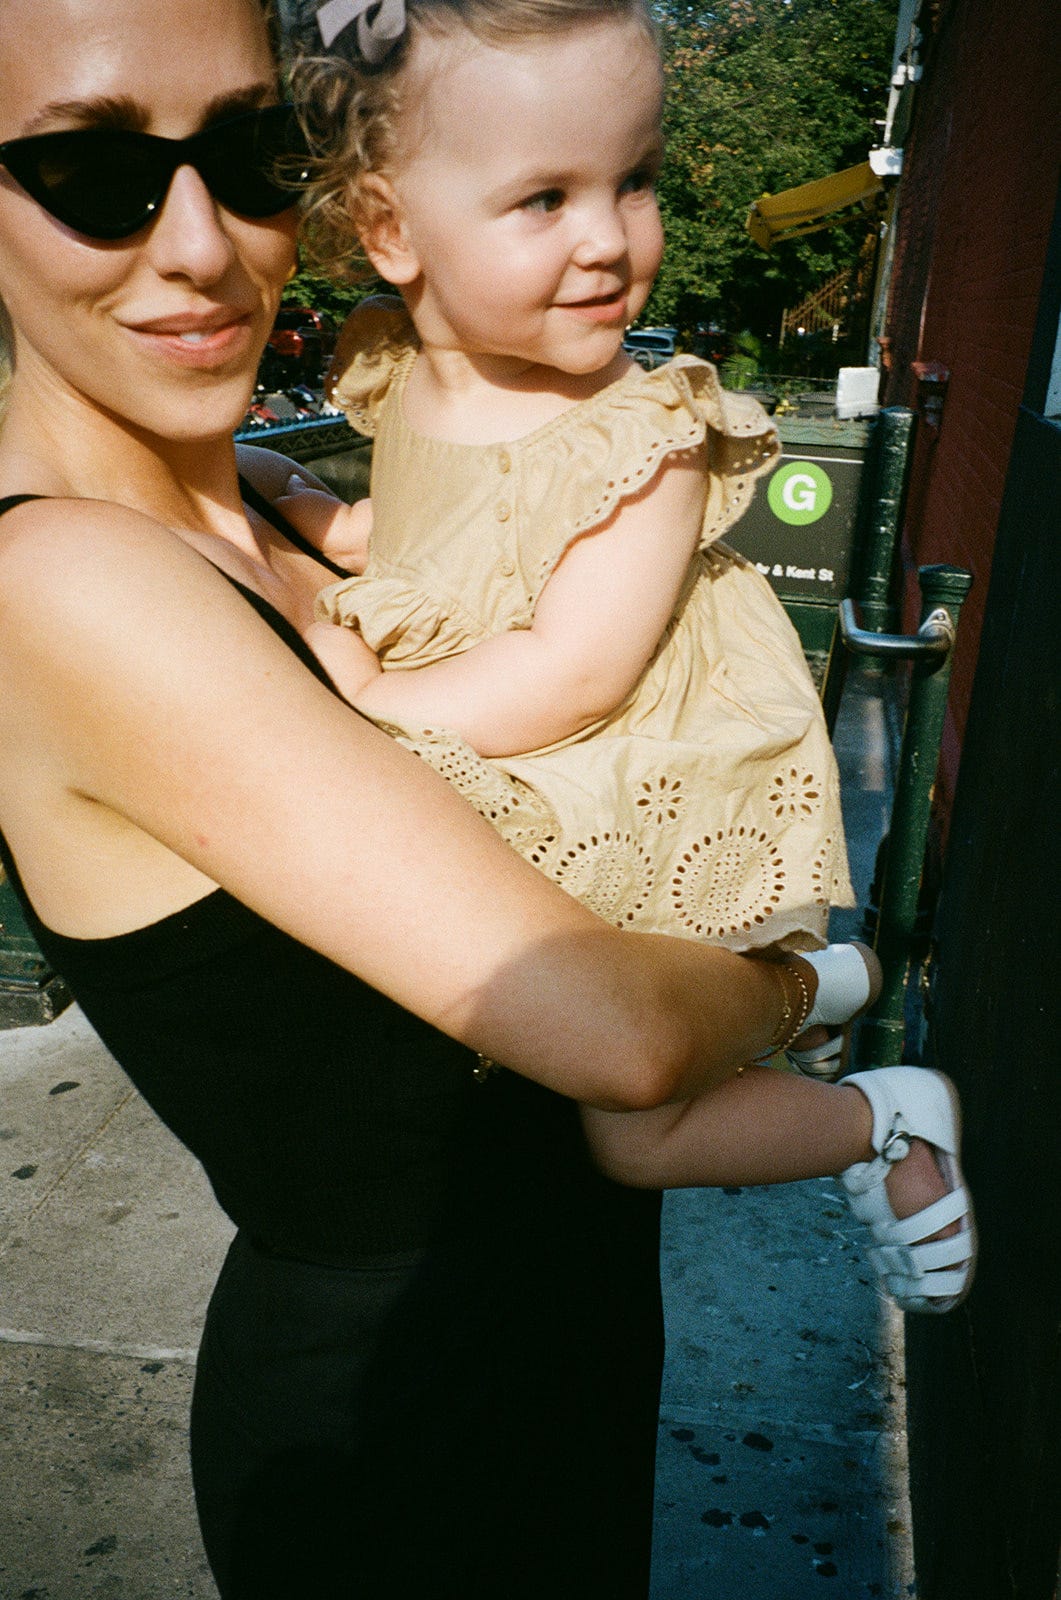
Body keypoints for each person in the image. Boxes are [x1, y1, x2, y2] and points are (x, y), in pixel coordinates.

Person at [0, 1, 972, 1596]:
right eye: (91, 174)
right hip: (399, 1446)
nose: (200, 245)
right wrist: (814, 985)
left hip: (554, 1352)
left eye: (249, 154)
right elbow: (621, 1033)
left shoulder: (270, 507)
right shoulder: (65, 584)